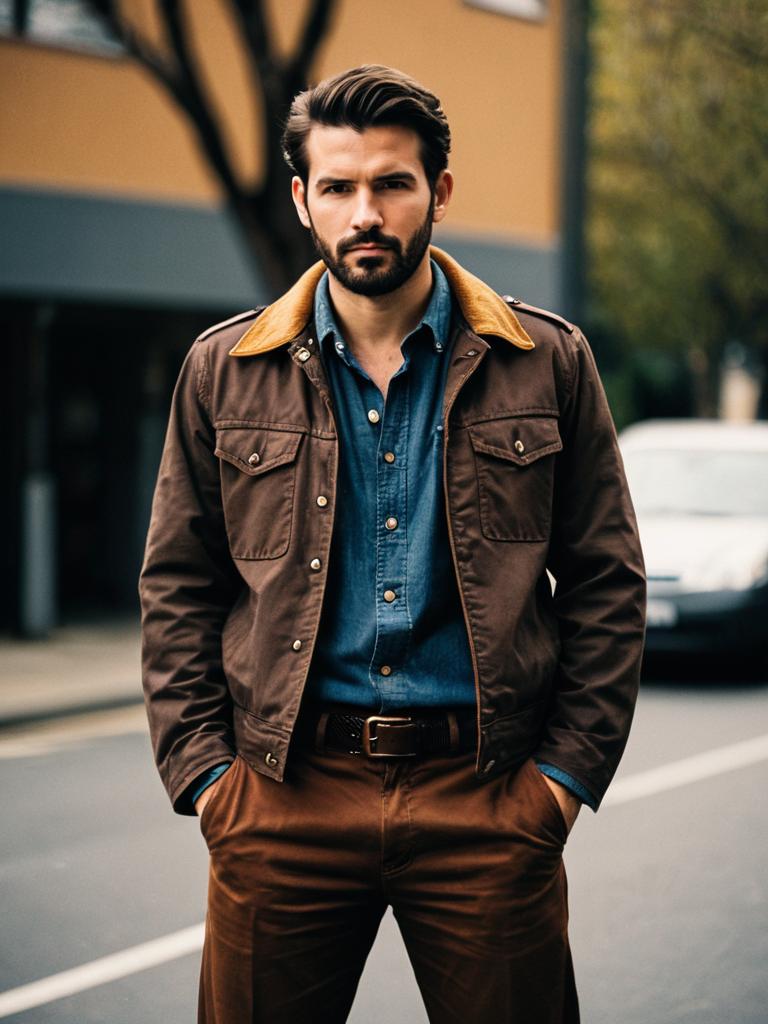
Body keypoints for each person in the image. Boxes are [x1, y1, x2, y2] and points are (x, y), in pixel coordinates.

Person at [139, 64, 646, 1024]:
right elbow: (178, 582)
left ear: (438, 193)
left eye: (391, 183)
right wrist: (208, 779)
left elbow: (606, 582)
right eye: (337, 187)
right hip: (281, 797)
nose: (364, 212)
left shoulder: (548, 361)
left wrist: (560, 785)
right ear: (302, 200)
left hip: (489, 798)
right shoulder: (223, 370)